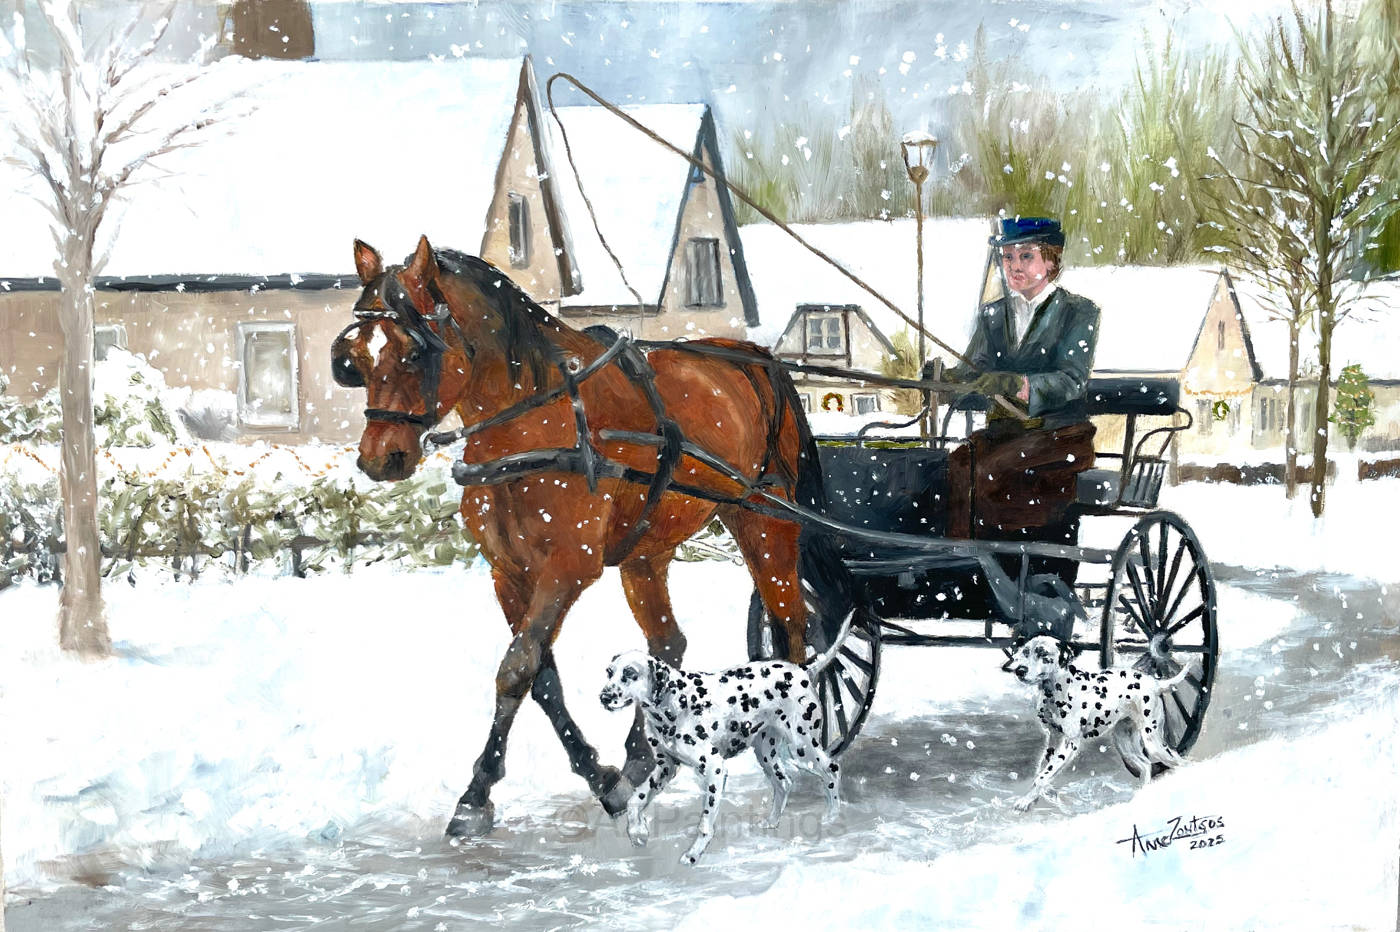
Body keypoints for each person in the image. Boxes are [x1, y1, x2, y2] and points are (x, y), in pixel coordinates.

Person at [942, 217, 1100, 542]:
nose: (1014, 266)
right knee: (957, 465)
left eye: (1026, 256)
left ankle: (1007, 555)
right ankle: (963, 556)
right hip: (1004, 435)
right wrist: (947, 381)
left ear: (1052, 260)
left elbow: (1070, 381)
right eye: (1008, 257)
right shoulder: (993, 315)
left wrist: (1018, 384)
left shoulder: (1077, 312)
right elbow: (974, 373)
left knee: (991, 472)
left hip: (1060, 436)